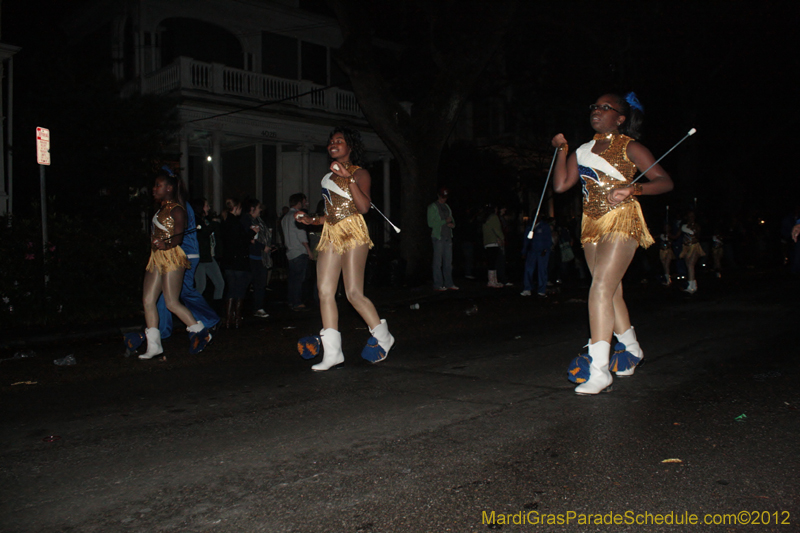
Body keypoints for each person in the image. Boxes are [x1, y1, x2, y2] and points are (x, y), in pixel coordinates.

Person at [551, 92, 673, 394]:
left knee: (601, 288)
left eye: (606, 108)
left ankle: (600, 368)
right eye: (595, 106)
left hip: (622, 219)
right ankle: (631, 349)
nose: (597, 111)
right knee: (611, 290)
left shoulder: (631, 147)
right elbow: (561, 185)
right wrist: (561, 151)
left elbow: (665, 181)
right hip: (591, 224)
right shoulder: (582, 150)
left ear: (620, 117)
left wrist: (633, 190)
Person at [294, 126, 395, 371]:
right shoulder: (326, 178)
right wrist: (311, 220)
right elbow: (331, 214)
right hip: (331, 233)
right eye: (330, 141)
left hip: (353, 232)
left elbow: (362, 207)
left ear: (349, 147)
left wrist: (348, 178)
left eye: (339, 141)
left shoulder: (360, 173)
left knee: (353, 293)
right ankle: (333, 353)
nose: (333, 144)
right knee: (325, 291)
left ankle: (384, 337)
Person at [127, 171, 212, 359]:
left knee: (171, 302)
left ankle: (200, 331)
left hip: (172, 257)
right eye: (155, 185)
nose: (154, 189)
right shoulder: (159, 210)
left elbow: (179, 236)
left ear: (169, 188)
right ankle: (154, 346)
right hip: (156, 258)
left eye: (158, 185)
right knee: (148, 301)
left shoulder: (177, 209)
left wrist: (167, 243)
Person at [155, 188, 220, 342]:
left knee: (182, 292)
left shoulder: (179, 206)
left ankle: (208, 320)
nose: (155, 189)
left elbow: (179, 232)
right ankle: (161, 328)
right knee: (169, 293)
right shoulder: (174, 205)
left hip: (184, 255)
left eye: (159, 185)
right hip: (179, 254)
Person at [220, 199, 252, 328]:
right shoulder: (235, 223)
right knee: (239, 289)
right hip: (238, 260)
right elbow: (241, 241)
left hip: (228, 261)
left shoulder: (226, 221)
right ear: (236, 208)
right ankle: (237, 318)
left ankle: (229, 318)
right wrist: (251, 233)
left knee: (231, 289)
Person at [242, 198, 272, 318]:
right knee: (246, 284)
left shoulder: (258, 220)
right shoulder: (246, 220)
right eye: (259, 207)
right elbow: (248, 238)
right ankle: (240, 310)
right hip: (251, 256)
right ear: (252, 208)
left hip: (260, 257)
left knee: (260, 284)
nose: (261, 210)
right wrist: (262, 246)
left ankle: (258, 307)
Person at [192, 197, 225, 304]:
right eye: (206, 206)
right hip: (201, 258)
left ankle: (216, 310)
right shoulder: (195, 220)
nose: (209, 208)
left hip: (209, 257)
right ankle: (193, 309)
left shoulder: (206, 220)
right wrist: (214, 224)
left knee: (220, 283)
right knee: (201, 286)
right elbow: (202, 234)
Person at [281, 193, 311, 310]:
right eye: (304, 202)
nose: (306, 204)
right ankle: (297, 301)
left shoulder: (285, 217)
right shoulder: (298, 215)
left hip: (290, 252)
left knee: (293, 278)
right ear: (299, 203)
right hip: (299, 251)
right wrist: (308, 250)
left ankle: (291, 300)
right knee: (299, 279)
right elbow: (301, 235)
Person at [427, 187, 458, 291]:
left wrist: (452, 224)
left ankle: (449, 283)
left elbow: (451, 219)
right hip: (438, 237)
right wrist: (445, 221)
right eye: (442, 196)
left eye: (445, 197)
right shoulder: (433, 207)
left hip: (448, 237)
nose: (444, 199)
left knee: (448, 262)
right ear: (438, 195)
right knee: (437, 262)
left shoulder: (447, 207)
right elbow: (430, 223)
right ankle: (438, 284)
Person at [520, 216, 551, 297]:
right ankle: (527, 288)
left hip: (542, 252)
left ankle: (541, 290)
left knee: (542, 271)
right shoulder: (530, 227)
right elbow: (526, 240)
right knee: (528, 270)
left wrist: (546, 249)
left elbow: (548, 239)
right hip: (531, 251)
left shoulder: (544, 226)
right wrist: (524, 251)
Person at [680, 210, 704, 294]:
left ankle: (690, 286)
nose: (691, 218)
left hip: (694, 246)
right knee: (689, 265)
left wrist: (694, 229)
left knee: (690, 264)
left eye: (692, 216)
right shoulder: (683, 226)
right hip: (686, 247)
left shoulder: (696, 226)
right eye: (689, 216)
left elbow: (698, 235)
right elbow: (677, 236)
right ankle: (693, 286)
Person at [482, 205, 505, 288]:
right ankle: (492, 281)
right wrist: (502, 238)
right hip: (493, 242)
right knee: (493, 262)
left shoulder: (485, 218)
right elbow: (497, 229)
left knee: (491, 262)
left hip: (487, 243)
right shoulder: (494, 217)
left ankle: (493, 280)